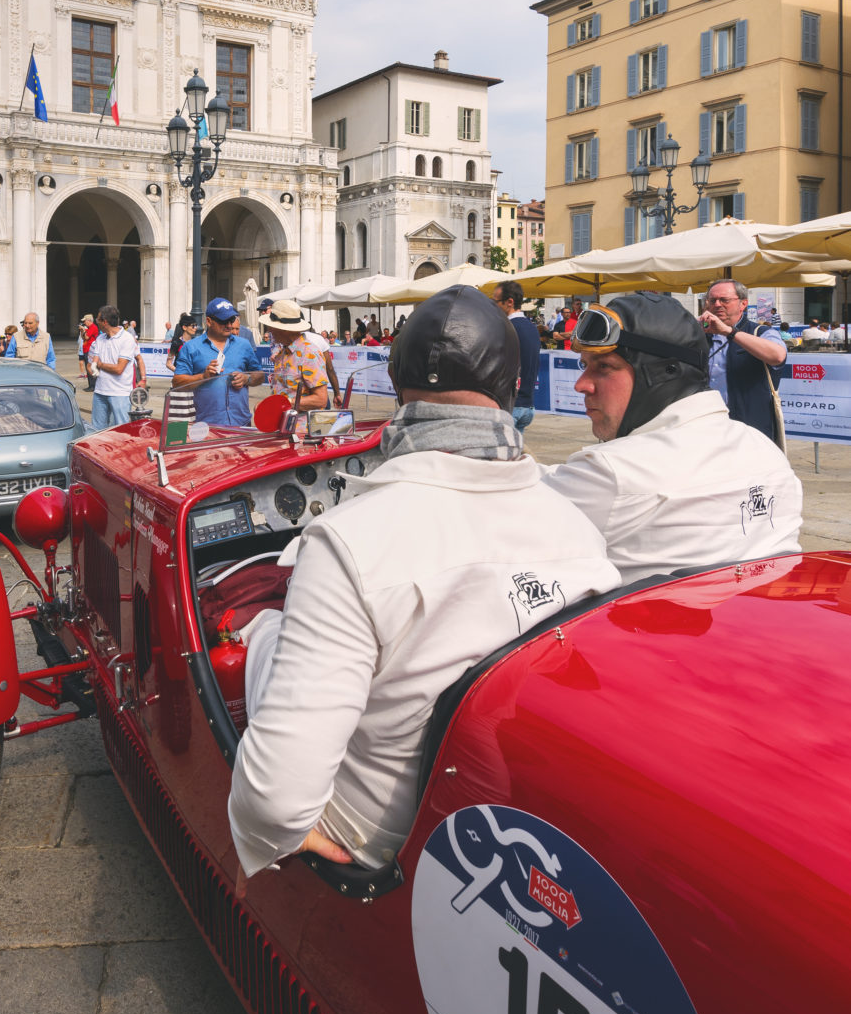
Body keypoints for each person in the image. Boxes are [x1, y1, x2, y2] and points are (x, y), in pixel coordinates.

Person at [227, 287, 620, 879]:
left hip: (383, 834)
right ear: (513, 387)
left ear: (396, 376)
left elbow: (276, 798)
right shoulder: (579, 526)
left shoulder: (347, 542)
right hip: (515, 815)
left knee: (260, 635)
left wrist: (270, 827)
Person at [540, 293, 802, 579]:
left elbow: (508, 512)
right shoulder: (766, 451)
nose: (581, 385)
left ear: (664, 374)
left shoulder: (612, 472)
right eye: (584, 365)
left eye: (604, 367)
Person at [700, 278, 788, 447]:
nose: (717, 305)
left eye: (724, 300)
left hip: (749, 428)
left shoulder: (760, 332)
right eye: (712, 300)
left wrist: (730, 332)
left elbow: (777, 356)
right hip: (707, 425)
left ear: (743, 304)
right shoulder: (698, 335)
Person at [172, 297, 266, 426]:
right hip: (208, 426)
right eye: (223, 321)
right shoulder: (191, 347)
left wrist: (247, 378)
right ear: (209, 321)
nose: (229, 325)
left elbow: (260, 376)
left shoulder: (243, 345)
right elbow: (177, 382)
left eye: (231, 320)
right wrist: (203, 377)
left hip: (241, 424)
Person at [260, 299, 329, 412]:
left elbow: (321, 400)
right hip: (282, 425)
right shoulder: (282, 351)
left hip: (300, 428)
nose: (269, 330)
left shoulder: (309, 353)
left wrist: (284, 404)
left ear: (285, 330)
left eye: (272, 326)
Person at [493, 281, 540, 430]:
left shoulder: (508, 328)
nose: (494, 306)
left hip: (511, 405)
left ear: (509, 302)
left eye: (495, 302)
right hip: (527, 404)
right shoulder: (531, 327)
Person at [88, 305, 137, 429]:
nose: (96, 322)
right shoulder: (100, 338)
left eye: (98, 320)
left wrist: (99, 365)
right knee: (96, 431)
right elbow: (93, 362)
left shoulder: (127, 339)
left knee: (121, 431)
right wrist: (93, 368)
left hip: (119, 393)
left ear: (105, 322)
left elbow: (118, 369)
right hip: (100, 391)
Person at [79, 314, 99, 387]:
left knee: (89, 367)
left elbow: (86, 337)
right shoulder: (88, 328)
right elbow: (83, 338)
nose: (84, 323)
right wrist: (82, 331)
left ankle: (93, 385)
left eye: (85, 321)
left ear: (89, 320)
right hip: (86, 349)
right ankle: (90, 385)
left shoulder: (93, 327)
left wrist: (83, 330)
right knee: (87, 367)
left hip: (90, 350)